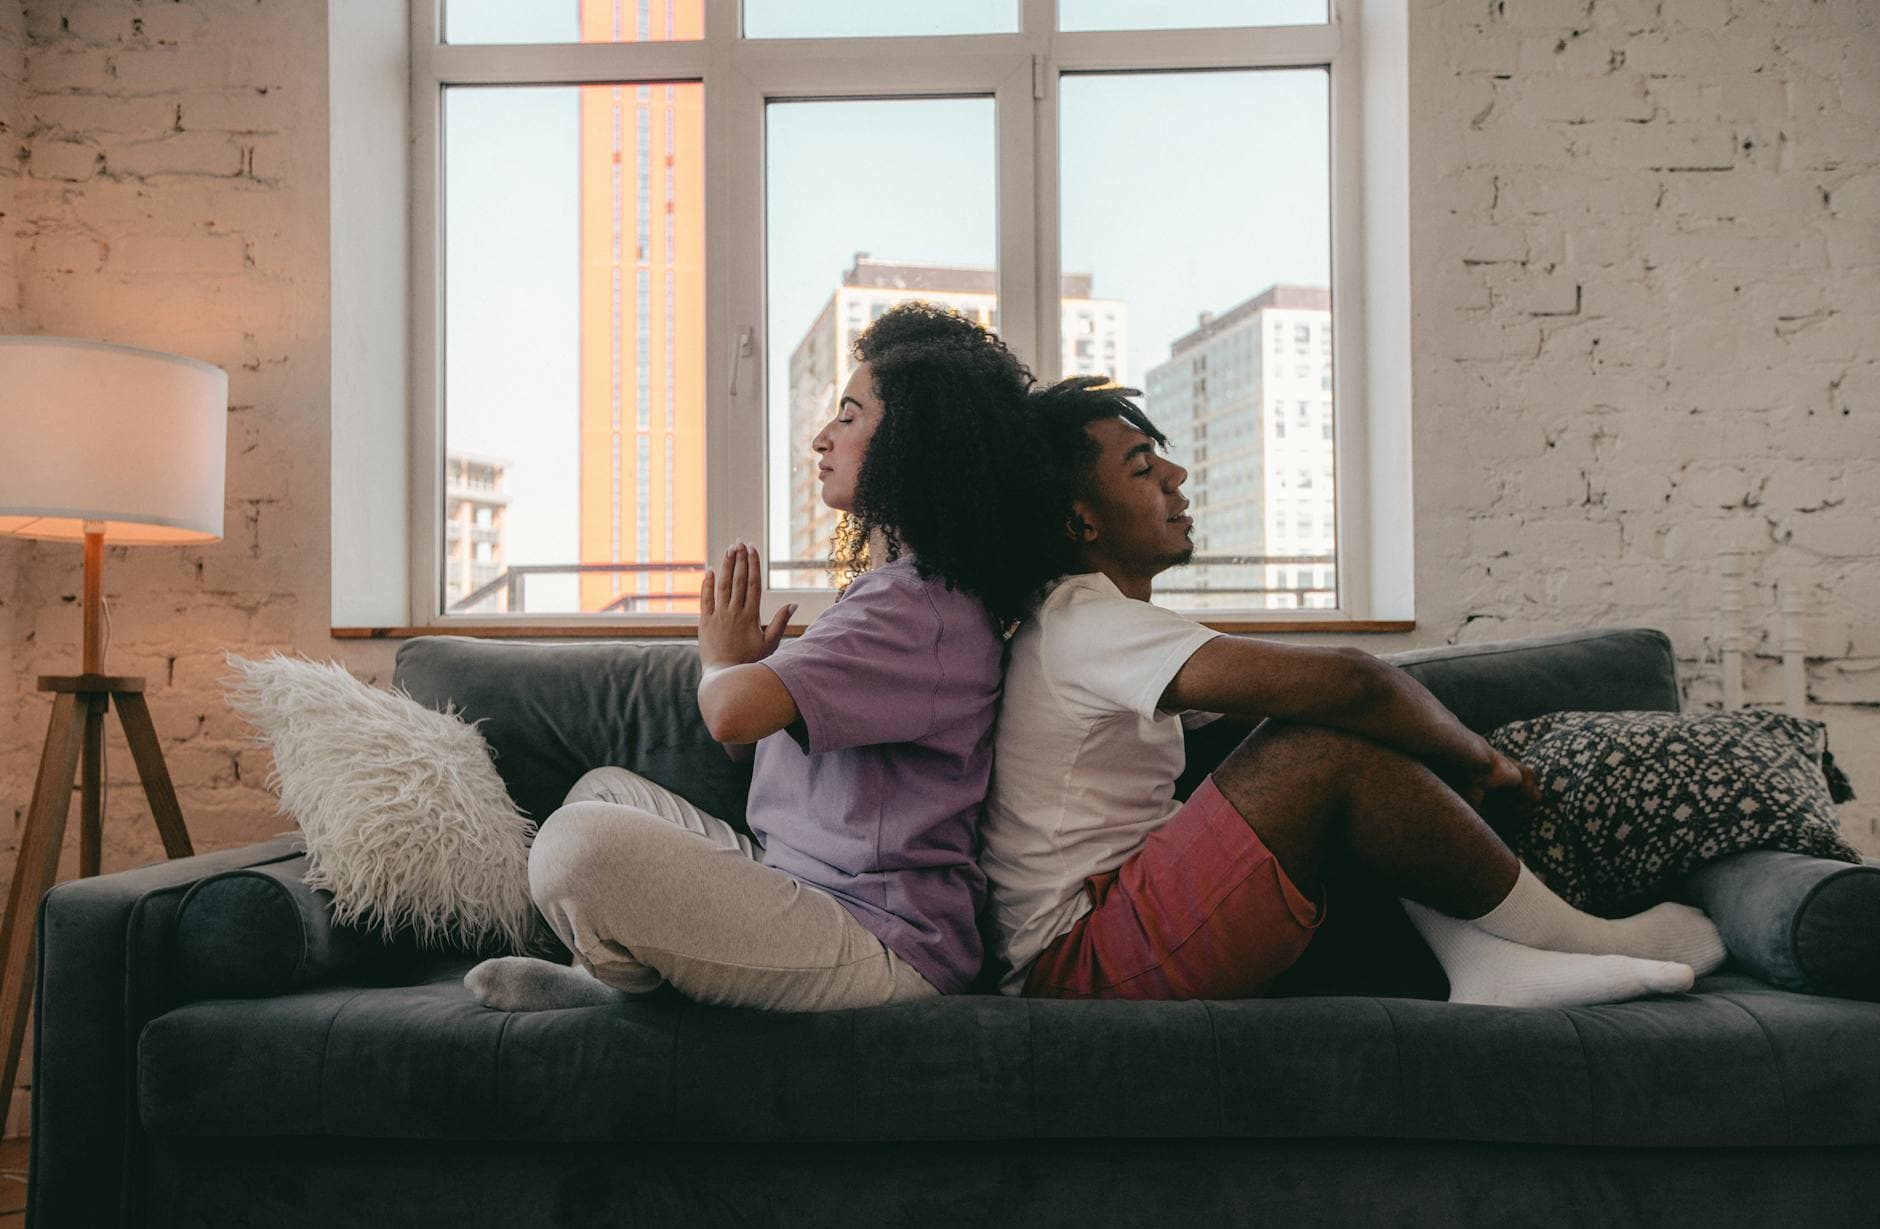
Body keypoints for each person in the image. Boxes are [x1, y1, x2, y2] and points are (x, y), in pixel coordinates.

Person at [977, 377, 1728, 1008]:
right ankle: (1581, 935)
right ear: (1079, 519)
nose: (1175, 478)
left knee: (1331, 727)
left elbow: (1324, 695)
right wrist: (1479, 759)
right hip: (1076, 964)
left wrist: (1393, 729)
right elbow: (1354, 683)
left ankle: (1483, 963)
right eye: (1142, 470)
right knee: (1320, 747)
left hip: (1119, 920)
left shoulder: (1103, 626)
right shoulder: (1083, 621)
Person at [467, 303, 1054, 1013]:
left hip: (880, 941)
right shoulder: (906, 597)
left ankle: (621, 998)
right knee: (603, 791)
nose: (820, 438)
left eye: (847, 415)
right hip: (800, 885)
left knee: (576, 846)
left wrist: (721, 659)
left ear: (915, 443)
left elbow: (727, 712)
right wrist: (752, 676)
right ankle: (609, 983)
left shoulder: (916, 609)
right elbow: (782, 751)